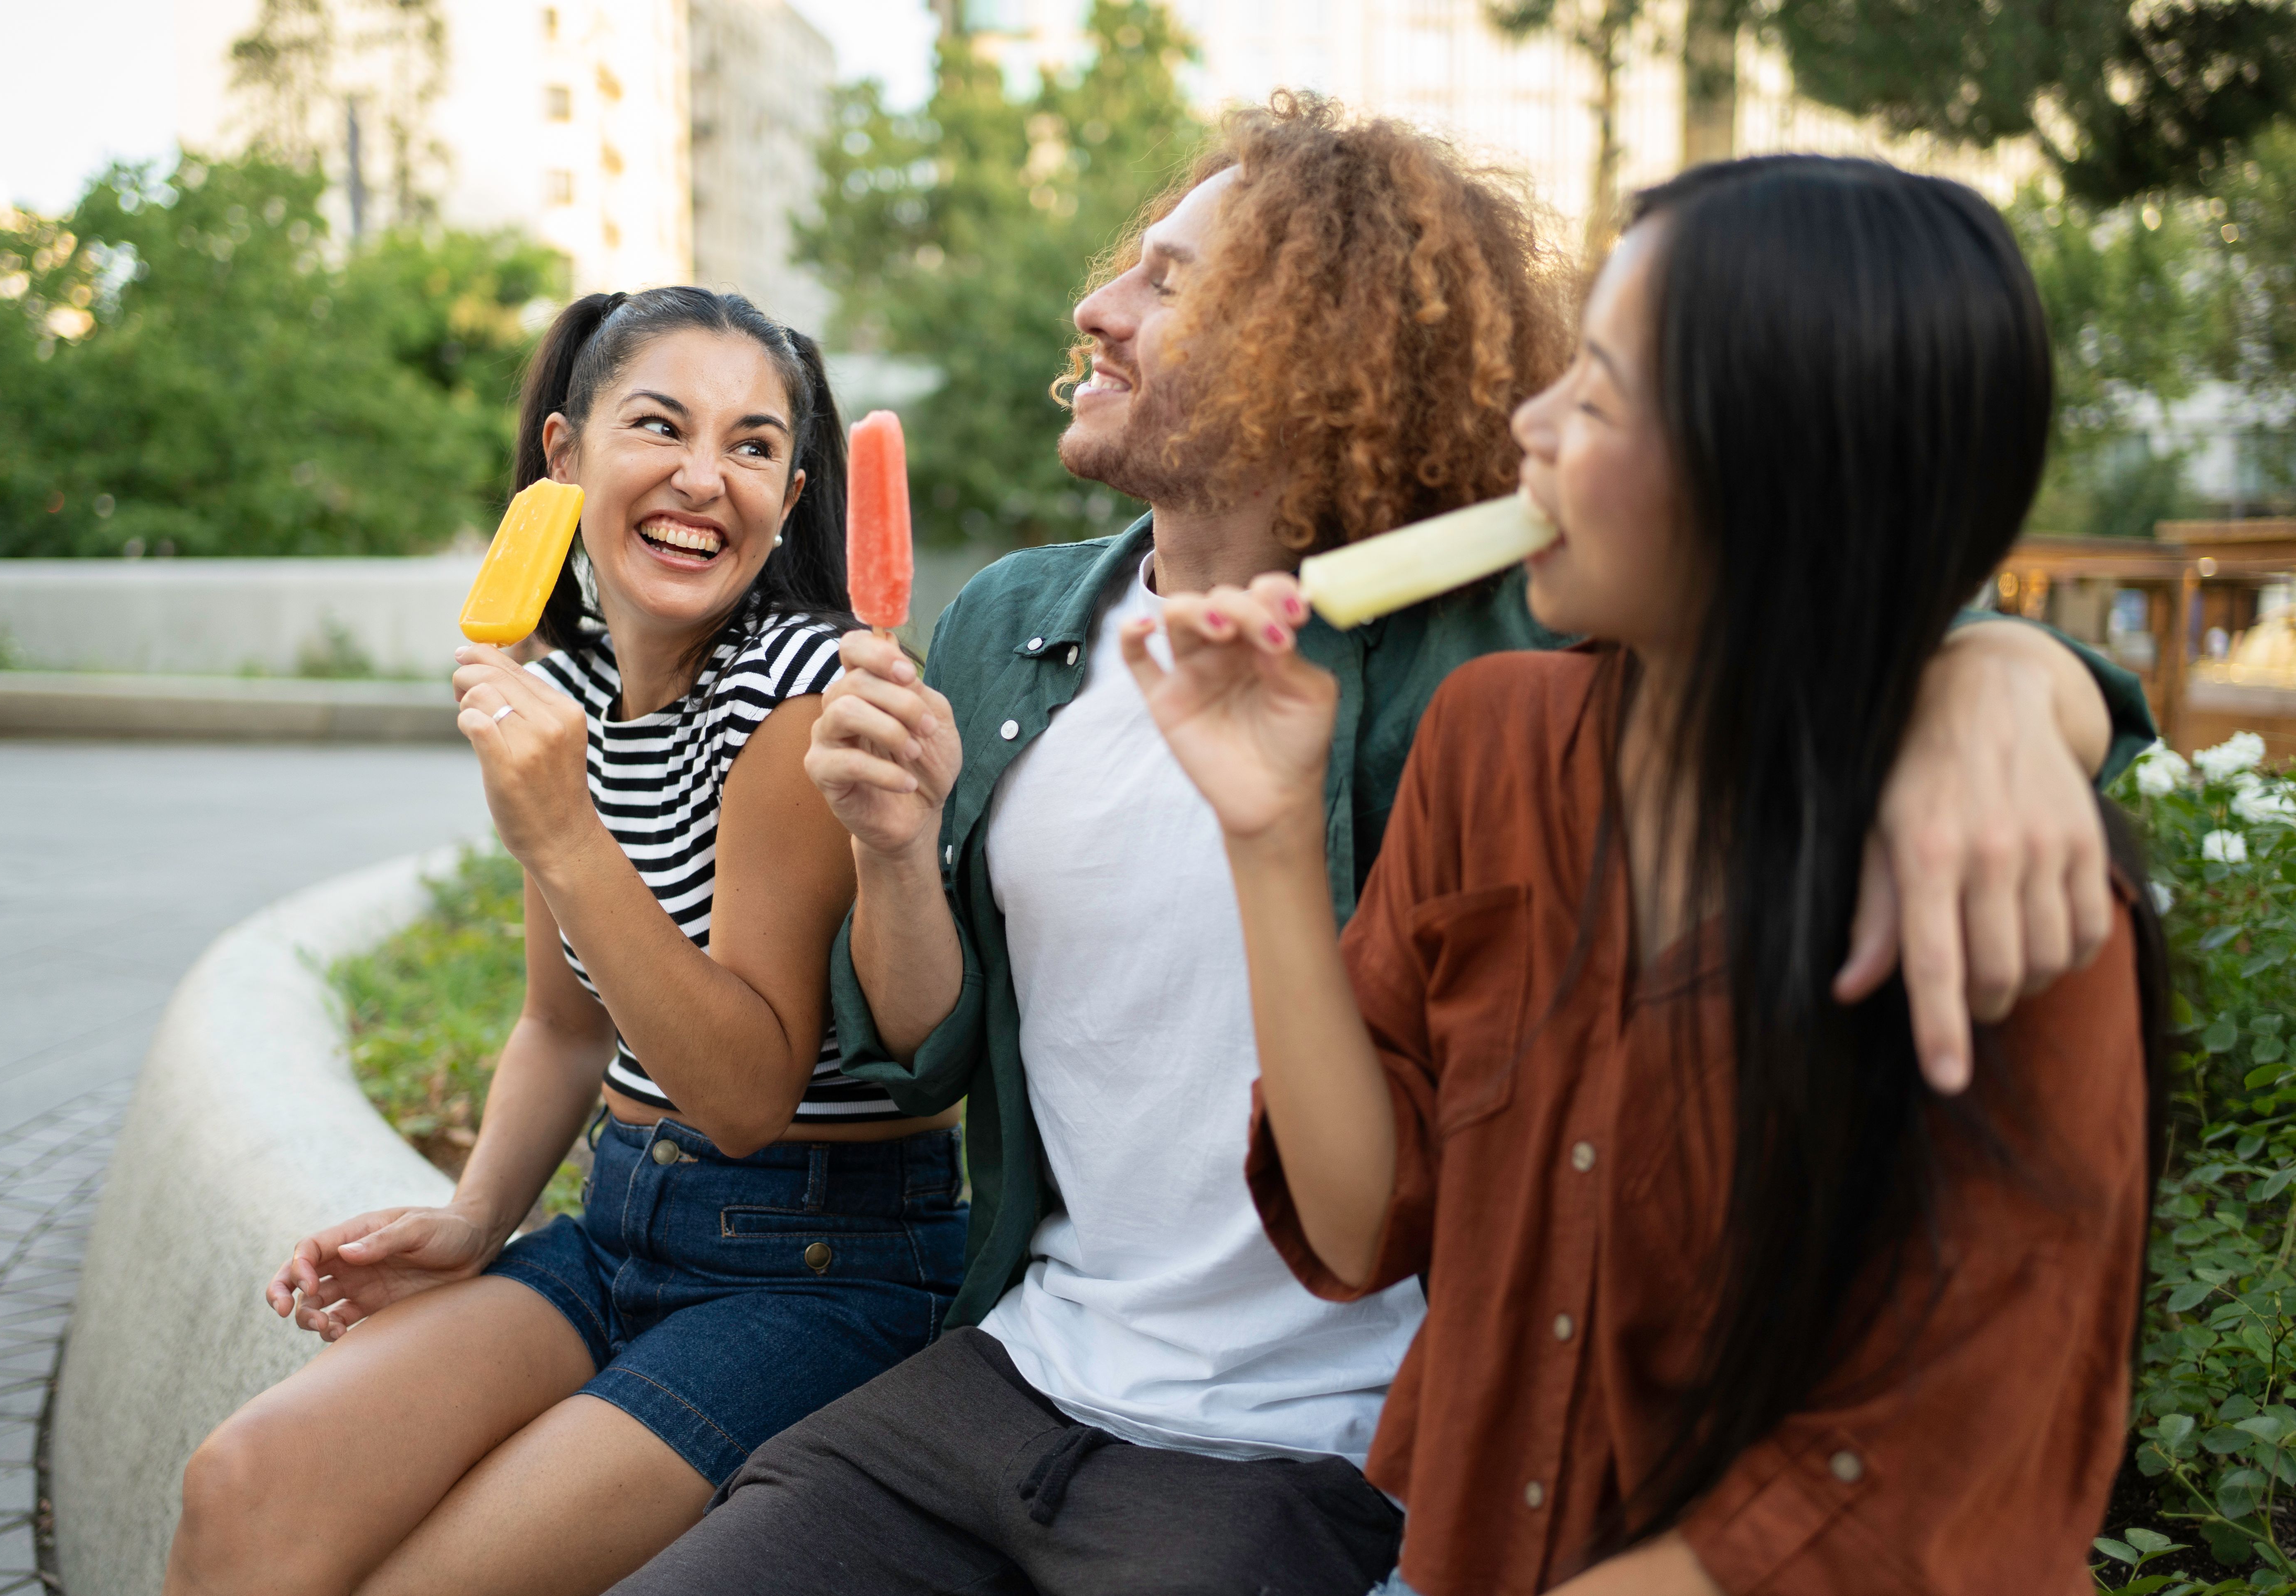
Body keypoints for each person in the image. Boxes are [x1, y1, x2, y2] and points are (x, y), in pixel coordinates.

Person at [613, 100, 2153, 1596]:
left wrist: (2003, 683)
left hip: (1300, 1455)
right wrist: (902, 847)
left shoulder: (1477, 646)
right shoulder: (1028, 628)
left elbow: (1824, 583)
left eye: (1172, 279)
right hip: (1016, 1369)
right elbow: (938, 1057)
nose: (1099, 305)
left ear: (1316, 347)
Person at [1129, 156, 2163, 1594]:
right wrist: (1265, 834)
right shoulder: (1489, 741)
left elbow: (1916, 1476)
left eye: (1596, 395)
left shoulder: (2009, 887)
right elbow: (1363, 1223)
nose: (1527, 429)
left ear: (1779, 468)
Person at [163, 288, 966, 1596]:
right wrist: (473, 1216)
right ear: (564, 453)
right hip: (615, 1227)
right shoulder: (570, 692)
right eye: (660, 425)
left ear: (795, 489)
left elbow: (747, 1094)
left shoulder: (807, 699)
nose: (704, 477)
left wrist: (562, 832)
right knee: (244, 1486)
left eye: (755, 446)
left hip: (821, 1267)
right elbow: (561, 1021)